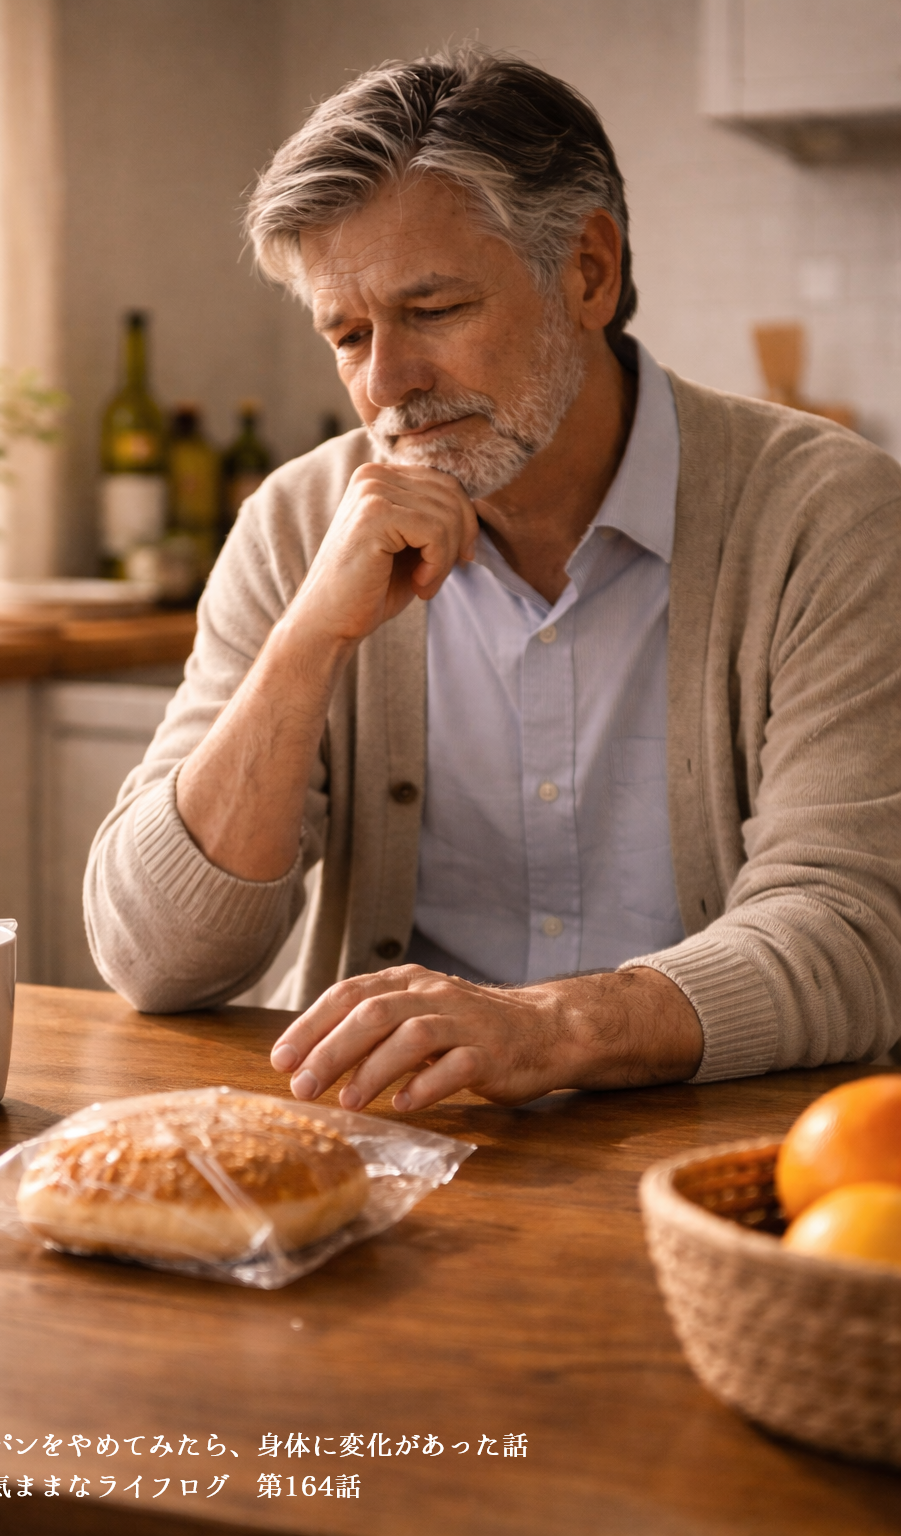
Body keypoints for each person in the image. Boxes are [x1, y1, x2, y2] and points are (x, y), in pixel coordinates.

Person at [85, 46, 901, 1117]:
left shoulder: (828, 516)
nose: (386, 384)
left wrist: (547, 1029)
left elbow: (855, 933)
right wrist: (307, 642)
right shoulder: (296, 522)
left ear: (589, 272)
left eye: (433, 310)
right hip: (383, 1152)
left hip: (716, 1164)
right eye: (349, 334)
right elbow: (153, 959)